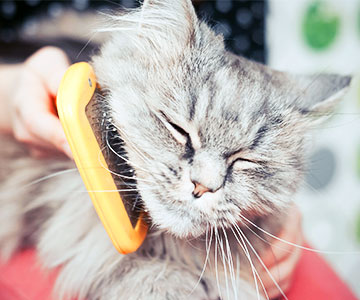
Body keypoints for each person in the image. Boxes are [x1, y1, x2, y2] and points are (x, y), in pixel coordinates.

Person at [0, 46, 303, 299]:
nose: (203, 184)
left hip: (228, 231)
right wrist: (11, 88)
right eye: (180, 131)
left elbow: (257, 86)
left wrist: (277, 200)